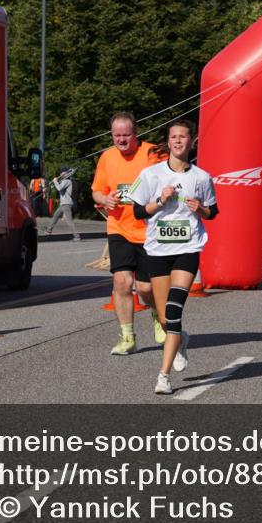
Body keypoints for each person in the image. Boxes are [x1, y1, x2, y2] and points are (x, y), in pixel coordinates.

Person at [131, 119, 218, 395]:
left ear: (192, 141)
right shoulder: (151, 174)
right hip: (158, 250)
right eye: (174, 137)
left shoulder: (202, 177)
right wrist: (160, 200)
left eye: (183, 137)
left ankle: (163, 376)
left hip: (187, 249)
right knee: (167, 319)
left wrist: (200, 209)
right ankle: (181, 339)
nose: (179, 141)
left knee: (174, 310)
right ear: (167, 142)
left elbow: (213, 213)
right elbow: (137, 212)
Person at [91, 111, 167, 356]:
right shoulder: (107, 157)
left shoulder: (153, 153)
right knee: (121, 282)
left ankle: (157, 314)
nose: (121, 140)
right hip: (119, 227)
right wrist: (105, 198)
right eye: (116, 135)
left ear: (136, 134)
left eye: (126, 135)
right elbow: (97, 191)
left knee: (145, 288)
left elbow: (172, 180)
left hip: (149, 230)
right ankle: (127, 337)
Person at [44, 167, 81, 241]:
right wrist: (53, 183)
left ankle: (77, 236)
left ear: (66, 173)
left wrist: (55, 181)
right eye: (61, 172)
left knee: (69, 221)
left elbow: (59, 188)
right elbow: (57, 187)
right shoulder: (64, 181)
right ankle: (49, 230)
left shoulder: (67, 181)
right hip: (63, 204)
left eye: (63, 172)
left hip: (66, 204)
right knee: (55, 216)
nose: (61, 173)